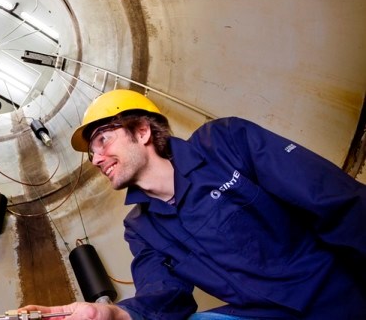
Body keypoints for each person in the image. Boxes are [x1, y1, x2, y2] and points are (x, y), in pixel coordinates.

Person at [22, 89, 366, 319]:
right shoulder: (140, 228)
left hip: (334, 293)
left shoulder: (226, 143)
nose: (96, 159)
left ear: (141, 131)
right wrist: (114, 314)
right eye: (93, 152)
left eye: (103, 140)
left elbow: (331, 201)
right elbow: (166, 296)